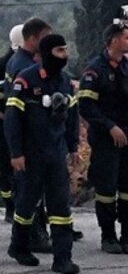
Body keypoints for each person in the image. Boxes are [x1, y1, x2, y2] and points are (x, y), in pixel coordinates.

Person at [4, 34, 80, 273]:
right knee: (26, 204)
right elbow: (12, 120)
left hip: (56, 154)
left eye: (65, 50)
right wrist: (16, 153)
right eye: (60, 50)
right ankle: (19, 246)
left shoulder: (66, 82)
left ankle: (62, 259)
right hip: (30, 154)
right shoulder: (25, 80)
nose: (65, 55)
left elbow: (72, 118)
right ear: (47, 53)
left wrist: (73, 148)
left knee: (60, 207)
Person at [78, 22, 128, 255]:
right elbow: (86, 106)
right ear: (114, 41)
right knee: (106, 189)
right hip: (107, 140)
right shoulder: (94, 71)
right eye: (127, 37)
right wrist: (110, 127)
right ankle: (108, 236)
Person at [4, 18, 53, 253]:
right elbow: (15, 110)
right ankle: (32, 237)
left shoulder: (20, 61)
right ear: (32, 38)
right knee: (29, 192)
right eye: (45, 38)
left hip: (34, 138)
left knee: (34, 191)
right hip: (29, 140)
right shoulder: (23, 67)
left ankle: (36, 234)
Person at [0, 24, 23, 223]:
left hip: (18, 122)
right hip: (4, 124)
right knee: (5, 168)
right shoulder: (5, 64)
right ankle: (10, 206)